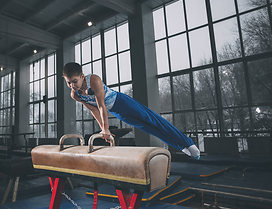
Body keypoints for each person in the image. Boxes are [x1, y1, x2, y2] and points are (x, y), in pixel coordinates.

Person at [62, 62, 200, 159]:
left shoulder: (94, 80)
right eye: (68, 82)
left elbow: (101, 106)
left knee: (152, 120)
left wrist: (106, 128)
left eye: (74, 81)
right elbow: (94, 110)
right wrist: (103, 129)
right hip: (117, 112)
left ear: (82, 76)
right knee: (147, 128)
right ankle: (181, 147)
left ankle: (188, 142)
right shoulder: (75, 95)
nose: (72, 85)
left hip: (122, 102)